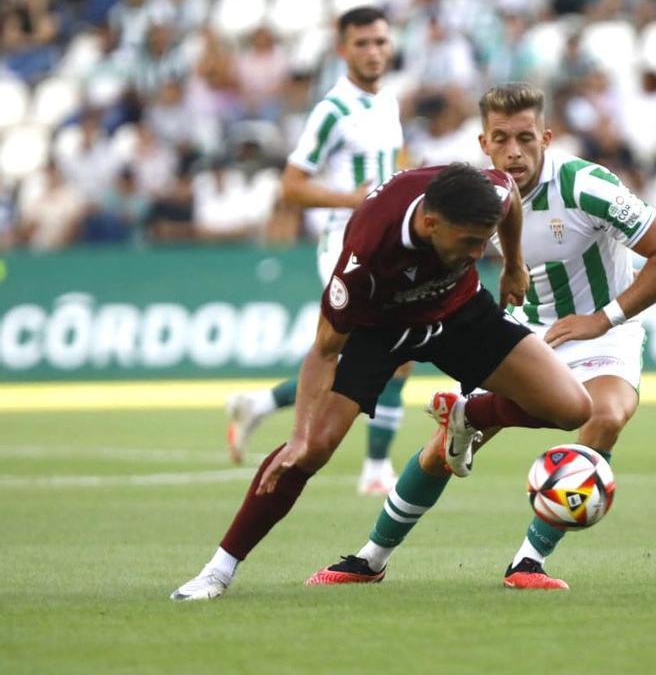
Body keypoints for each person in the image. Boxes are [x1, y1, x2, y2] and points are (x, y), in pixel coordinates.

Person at [306, 83, 656, 590]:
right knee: (441, 448)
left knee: (606, 415)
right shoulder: (473, 194)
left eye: (526, 138)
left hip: (604, 331)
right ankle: (370, 558)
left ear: (547, 138)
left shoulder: (587, 186)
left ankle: (528, 563)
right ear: (483, 144)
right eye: (501, 139)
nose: (515, 152)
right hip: (531, 330)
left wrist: (602, 319)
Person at [170, 162, 594, 601]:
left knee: (573, 409)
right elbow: (323, 350)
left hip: (461, 312)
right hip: (380, 332)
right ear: (430, 224)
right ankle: (217, 572)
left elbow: (509, 202)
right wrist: (298, 434)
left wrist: (512, 265)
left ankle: (467, 416)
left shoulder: (487, 194)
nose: (475, 253)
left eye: (481, 242)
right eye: (468, 242)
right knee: (311, 451)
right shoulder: (366, 255)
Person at [223, 6, 411, 496]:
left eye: (380, 42)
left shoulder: (387, 101)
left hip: (388, 243)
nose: (373, 51)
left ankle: (261, 404)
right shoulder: (332, 111)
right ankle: (374, 469)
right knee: (377, 350)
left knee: (387, 354)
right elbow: (292, 186)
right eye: (362, 43)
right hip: (345, 243)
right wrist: (354, 198)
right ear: (342, 50)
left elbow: (394, 163)